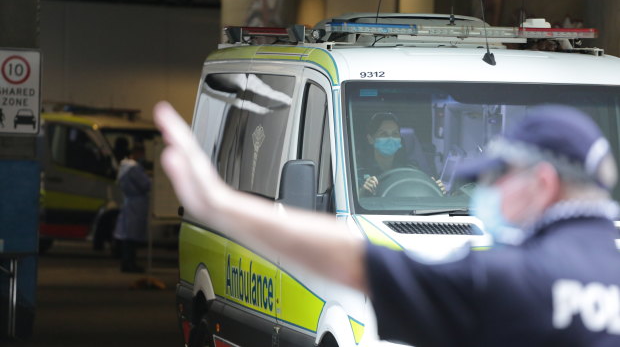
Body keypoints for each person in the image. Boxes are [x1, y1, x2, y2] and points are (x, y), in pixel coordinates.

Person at [154, 101, 620, 346]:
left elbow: (359, 262)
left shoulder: (515, 278)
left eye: (497, 178)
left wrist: (220, 205)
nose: (488, 195)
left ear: (542, 182)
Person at [359, 112, 442, 196]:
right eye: (383, 134)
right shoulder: (358, 173)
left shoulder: (412, 171)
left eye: (395, 134)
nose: (390, 138)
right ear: (370, 139)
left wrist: (436, 188)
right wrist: (363, 191)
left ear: (400, 140)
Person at [113, 143, 151, 273]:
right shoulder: (134, 168)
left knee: (127, 235)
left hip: (129, 202)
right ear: (138, 153)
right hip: (136, 204)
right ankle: (130, 264)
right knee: (132, 237)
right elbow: (146, 184)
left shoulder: (124, 166)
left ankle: (126, 263)